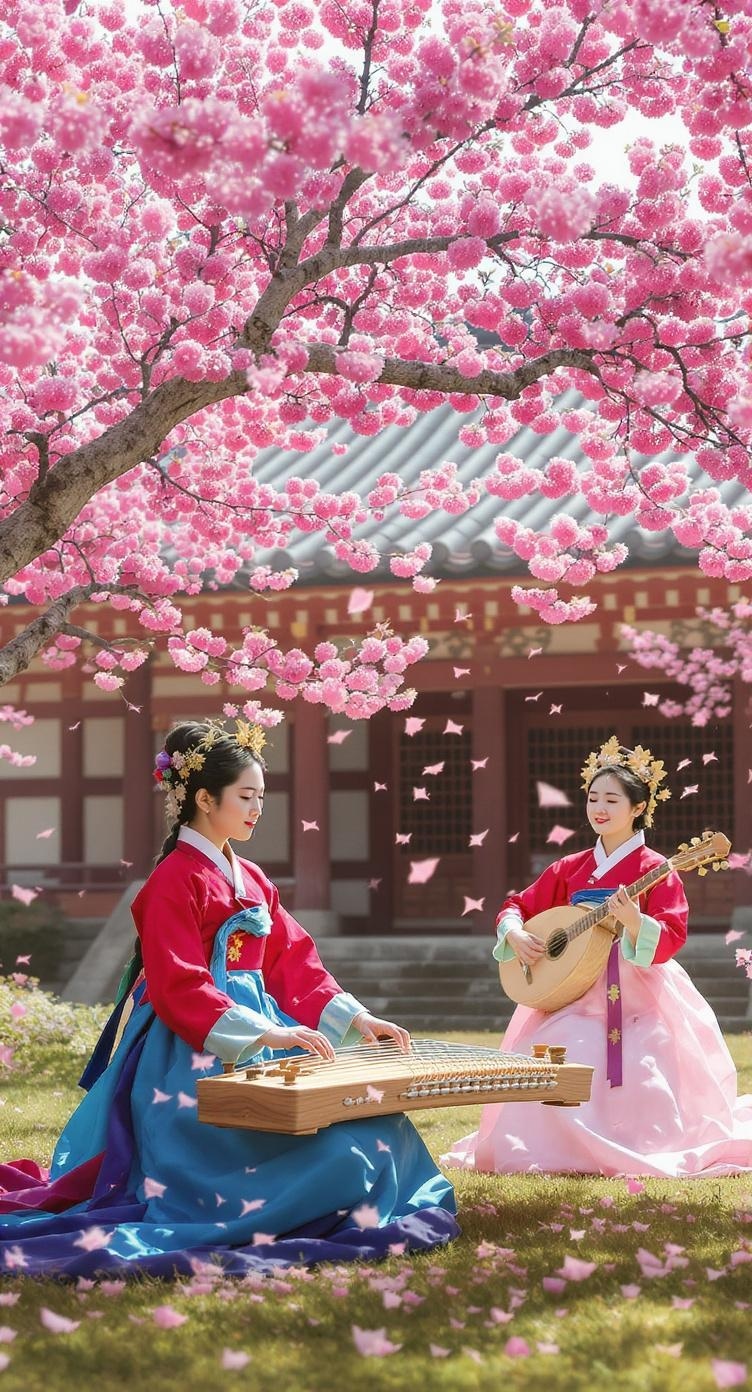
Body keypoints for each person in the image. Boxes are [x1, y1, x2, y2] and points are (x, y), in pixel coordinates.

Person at [0, 719, 458, 1278]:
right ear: (201, 797)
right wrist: (263, 1033)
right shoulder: (173, 880)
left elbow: (293, 962)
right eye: (246, 796)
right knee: (331, 1154)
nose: (258, 808)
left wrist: (357, 1018)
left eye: (262, 796)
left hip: (264, 1026)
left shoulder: (253, 878)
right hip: (190, 1048)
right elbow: (177, 982)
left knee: (375, 1123)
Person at [444, 736, 752, 1178]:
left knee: (642, 1064)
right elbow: (518, 906)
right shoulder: (569, 867)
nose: (599, 808)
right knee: (551, 1053)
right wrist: (514, 935)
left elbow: (672, 933)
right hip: (572, 987)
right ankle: (544, 1148)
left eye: (612, 799)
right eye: (593, 798)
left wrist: (634, 922)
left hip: (638, 993)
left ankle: (631, 1145)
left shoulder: (656, 867)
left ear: (638, 808)